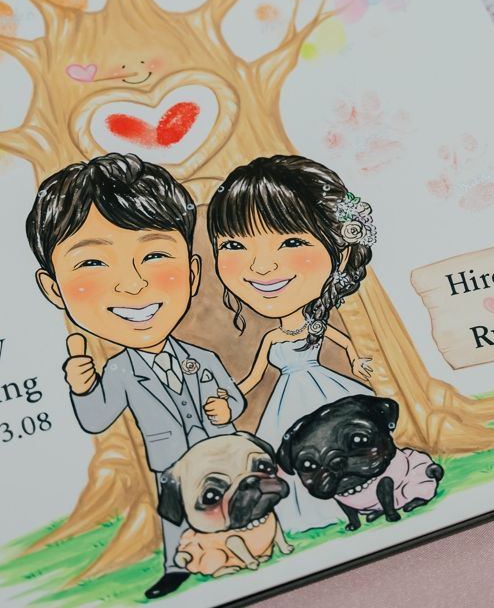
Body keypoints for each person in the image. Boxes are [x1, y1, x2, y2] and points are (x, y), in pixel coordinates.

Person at [26, 152, 245, 601]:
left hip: (219, 450)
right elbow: (96, 418)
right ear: (54, 288)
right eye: (92, 263)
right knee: (175, 516)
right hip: (170, 461)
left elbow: (233, 397)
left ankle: (240, 548)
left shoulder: (202, 357)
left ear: (192, 272)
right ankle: (177, 565)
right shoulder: (120, 370)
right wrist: (82, 386)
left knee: (234, 502)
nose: (132, 284)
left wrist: (227, 409)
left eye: (155, 255)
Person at [207, 155, 376, 532]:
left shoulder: (317, 324)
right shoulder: (272, 336)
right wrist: (230, 398)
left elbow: (342, 343)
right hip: (286, 401)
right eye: (234, 245)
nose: (261, 267)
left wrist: (357, 360)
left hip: (325, 389)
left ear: (341, 254)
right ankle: (312, 513)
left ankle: (364, 497)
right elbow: (252, 379)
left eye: (291, 242)